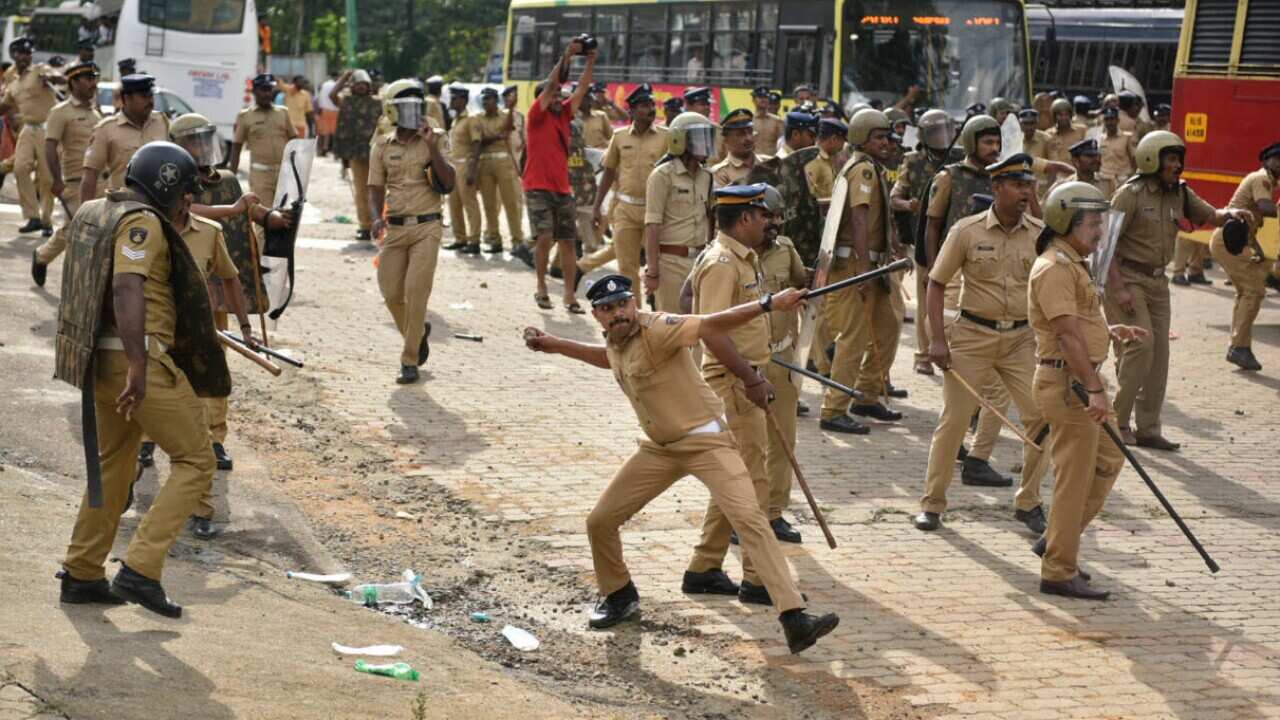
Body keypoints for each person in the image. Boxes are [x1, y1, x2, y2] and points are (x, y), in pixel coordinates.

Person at [522, 273, 839, 652]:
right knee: (600, 521)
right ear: (597, 315)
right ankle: (619, 594)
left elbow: (710, 324)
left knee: (750, 519)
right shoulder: (616, 340)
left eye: (623, 304)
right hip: (659, 448)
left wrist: (769, 304)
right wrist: (554, 344)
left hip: (707, 443)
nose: (618, 313)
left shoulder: (657, 328)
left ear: (633, 303)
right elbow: (606, 358)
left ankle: (794, 618)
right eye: (608, 309)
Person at [54, 141, 223, 618]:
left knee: (113, 465)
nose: (188, 203)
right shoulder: (142, 221)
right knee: (196, 459)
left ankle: (83, 573)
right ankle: (141, 569)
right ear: (166, 184)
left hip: (94, 360)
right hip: (136, 359)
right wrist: (139, 364)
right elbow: (127, 285)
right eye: (186, 192)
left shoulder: (93, 210)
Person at [915, 154, 1051, 534]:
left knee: (1041, 422)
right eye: (1018, 185)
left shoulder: (1040, 233)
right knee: (954, 422)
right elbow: (936, 284)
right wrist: (937, 341)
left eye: (1028, 185)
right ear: (996, 188)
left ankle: (1029, 502)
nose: (1026, 192)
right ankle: (932, 503)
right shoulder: (966, 231)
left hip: (1021, 341)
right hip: (972, 337)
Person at [1028, 181, 1146, 600]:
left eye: (1101, 223)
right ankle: (1059, 570)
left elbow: (1079, 326)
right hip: (1070, 385)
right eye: (1093, 223)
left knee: (1109, 460)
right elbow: (1065, 336)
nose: (1100, 232)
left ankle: (1060, 537)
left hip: (1081, 380)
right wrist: (1094, 389)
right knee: (1072, 480)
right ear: (1066, 221)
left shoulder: (1073, 262)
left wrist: (1109, 331)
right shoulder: (1055, 267)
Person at [1101, 131, 1252, 450]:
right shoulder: (1129, 195)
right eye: (1171, 159)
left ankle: (1148, 429)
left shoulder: (1179, 193)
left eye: (1178, 159)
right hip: (1126, 279)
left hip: (1158, 283)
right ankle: (1118, 422)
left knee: (1159, 357)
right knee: (1142, 347)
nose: (1177, 165)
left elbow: (1211, 215)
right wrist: (1118, 288)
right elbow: (1105, 244)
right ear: (1151, 159)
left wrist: (1232, 215)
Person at [168, 112, 289, 485]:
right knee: (164, 363)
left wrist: (270, 216)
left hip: (214, 295)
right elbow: (190, 211)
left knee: (213, 365)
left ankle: (214, 438)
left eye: (206, 140)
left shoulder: (228, 180)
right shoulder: (170, 180)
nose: (203, 149)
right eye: (194, 142)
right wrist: (232, 211)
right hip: (172, 293)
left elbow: (245, 207)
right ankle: (144, 438)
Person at [818, 110, 904, 433]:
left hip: (873, 263)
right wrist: (865, 272)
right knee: (853, 339)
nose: (886, 142)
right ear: (861, 138)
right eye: (878, 137)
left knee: (887, 328)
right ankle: (833, 409)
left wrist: (893, 241)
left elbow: (880, 215)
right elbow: (859, 218)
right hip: (858, 264)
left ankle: (866, 395)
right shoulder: (863, 170)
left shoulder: (871, 168)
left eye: (887, 137)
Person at [368, 79, 454, 385]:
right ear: (391, 110)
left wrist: (432, 147)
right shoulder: (381, 145)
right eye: (405, 107)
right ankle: (416, 333)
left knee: (416, 293)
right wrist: (376, 218)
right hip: (395, 228)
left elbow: (449, 182)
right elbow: (375, 188)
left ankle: (409, 360)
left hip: (427, 226)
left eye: (417, 107)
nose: (413, 113)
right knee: (391, 292)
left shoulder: (437, 138)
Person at [524, 36, 595, 313]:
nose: (559, 98)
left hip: (563, 189)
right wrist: (566, 56)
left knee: (568, 241)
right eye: (554, 95)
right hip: (537, 187)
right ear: (543, 98)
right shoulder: (536, 116)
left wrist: (590, 60)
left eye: (559, 96)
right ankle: (541, 287)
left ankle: (569, 295)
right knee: (544, 238)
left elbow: (582, 88)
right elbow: (554, 83)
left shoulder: (564, 115)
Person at [580, 84, 668, 291]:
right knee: (627, 268)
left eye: (652, 104)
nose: (651, 109)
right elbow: (609, 172)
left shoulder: (666, 137)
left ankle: (658, 314)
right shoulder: (619, 137)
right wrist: (596, 207)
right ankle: (635, 316)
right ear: (632, 110)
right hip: (625, 210)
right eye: (645, 105)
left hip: (655, 212)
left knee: (659, 265)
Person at [891, 109, 958, 377]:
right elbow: (895, 197)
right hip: (925, 238)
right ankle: (923, 353)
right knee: (926, 298)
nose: (941, 138)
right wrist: (910, 204)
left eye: (945, 131)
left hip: (955, 238)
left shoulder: (959, 158)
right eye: (935, 132)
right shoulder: (913, 161)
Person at [1209, 142, 1279, 372]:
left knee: (1248, 292)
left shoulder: (1268, 180)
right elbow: (1266, 208)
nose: (1279, 163)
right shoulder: (1262, 179)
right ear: (1267, 160)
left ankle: (1240, 347)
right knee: (1254, 291)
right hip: (1229, 241)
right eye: (1277, 159)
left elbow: (1254, 220)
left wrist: (1257, 248)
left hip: (1236, 240)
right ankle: (1238, 348)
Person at [30, 61, 100, 287]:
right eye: (88, 78)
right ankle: (79, 286)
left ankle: (42, 256)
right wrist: (56, 180)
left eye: (94, 78)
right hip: (74, 182)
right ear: (74, 82)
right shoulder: (61, 112)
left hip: (99, 182)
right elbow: (50, 146)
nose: (93, 83)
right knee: (80, 233)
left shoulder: (95, 113)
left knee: (74, 229)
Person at [643, 112, 715, 313]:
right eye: (699, 138)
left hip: (700, 261)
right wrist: (653, 271)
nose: (705, 144)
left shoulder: (707, 177)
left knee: (698, 326)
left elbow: (710, 218)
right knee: (671, 326)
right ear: (679, 140)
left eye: (706, 137)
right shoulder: (662, 175)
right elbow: (652, 224)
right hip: (670, 265)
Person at [0, 38, 64, 236]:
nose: (24, 57)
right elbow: (4, 106)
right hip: (28, 129)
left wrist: (53, 78)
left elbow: (58, 77)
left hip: (48, 129)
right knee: (20, 168)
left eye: (27, 53)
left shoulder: (40, 70)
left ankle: (46, 221)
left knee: (46, 179)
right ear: (13, 56)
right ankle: (33, 217)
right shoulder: (13, 84)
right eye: (20, 53)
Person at [80, 73, 167, 203]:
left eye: (151, 96)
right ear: (126, 98)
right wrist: (85, 216)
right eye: (144, 97)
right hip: (123, 207)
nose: (150, 102)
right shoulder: (106, 129)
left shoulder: (162, 121)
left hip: (159, 204)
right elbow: (90, 176)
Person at [469, 87, 524, 255]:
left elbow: (508, 130)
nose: (485, 103)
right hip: (485, 163)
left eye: (489, 99)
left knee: (510, 204)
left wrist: (512, 108)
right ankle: (495, 240)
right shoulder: (478, 118)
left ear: (495, 100)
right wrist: (497, 137)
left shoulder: (504, 116)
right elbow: (479, 141)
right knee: (489, 205)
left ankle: (517, 240)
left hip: (503, 162)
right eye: (484, 100)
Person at [328, 69, 382, 241]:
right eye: (357, 84)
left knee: (378, 190)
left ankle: (379, 224)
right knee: (361, 192)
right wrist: (344, 77)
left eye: (363, 84)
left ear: (369, 86)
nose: (360, 87)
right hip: (356, 154)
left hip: (376, 154)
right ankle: (365, 227)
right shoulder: (347, 101)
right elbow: (332, 94)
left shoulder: (378, 103)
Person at [230, 73, 297, 202]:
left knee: (283, 217)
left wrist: (296, 170)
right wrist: (232, 176)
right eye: (263, 90)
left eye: (270, 90)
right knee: (264, 216)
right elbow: (237, 146)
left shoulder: (283, 113)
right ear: (255, 92)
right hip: (260, 175)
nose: (267, 94)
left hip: (283, 174)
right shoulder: (245, 116)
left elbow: (294, 141)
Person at [443, 86, 482, 253]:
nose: (451, 101)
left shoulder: (471, 119)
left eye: (454, 98)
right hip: (453, 166)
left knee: (470, 203)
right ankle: (460, 238)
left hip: (466, 164)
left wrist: (472, 170)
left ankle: (474, 241)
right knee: (454, 204)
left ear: (463, 100)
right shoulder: (456, 120)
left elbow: (477, 144)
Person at [709, 109, 764, 187]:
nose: (748, 138)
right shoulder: (720, 173)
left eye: (750, 132)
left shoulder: (767, 163)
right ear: (726, 141)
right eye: (740, 134)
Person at [1098, 107, 1134, 191]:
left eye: (1112, 119)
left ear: (1117, 120)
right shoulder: (1100, 138)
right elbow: (1098, 159)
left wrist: (1132, 177)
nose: (1110, 122)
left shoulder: (1127, 137)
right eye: (1107, 120)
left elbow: (1133, 159)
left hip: (1122, 179)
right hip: (1104, 178)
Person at [1046, 98, 1086, 163]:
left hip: (1077, 171)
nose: (1063, 118)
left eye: (1066, 114)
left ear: (1070, 115)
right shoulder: (1048, 135)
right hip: (1058, 172)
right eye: (1060, 115)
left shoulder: (1081, 131)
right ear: (1054, 116)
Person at [751, 86, 784, 158]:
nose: (763, 100)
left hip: (771, 162)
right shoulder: (749, 121)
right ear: (753, 100)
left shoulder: (778, 121)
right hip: (753, 163)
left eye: (766, 97)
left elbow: (783, 144)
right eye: (760, 97)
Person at [578, 85, 614, 150]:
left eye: (586, 98)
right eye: (580, 98)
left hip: (600, 154)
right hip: (580, 156)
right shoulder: (572, 118)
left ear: (590, 100)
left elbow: (610, 137)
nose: (582, 101)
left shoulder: (601, 116)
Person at [316, 71, 340, 155]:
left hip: (324, 109)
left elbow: (320, 97)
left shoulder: (325, 84)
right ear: (337, 76)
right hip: (334, 110)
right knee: (334, 131)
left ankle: (322, 148)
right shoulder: (337, 85)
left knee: (324, 131)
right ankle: (330, 149)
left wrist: (320, 107)